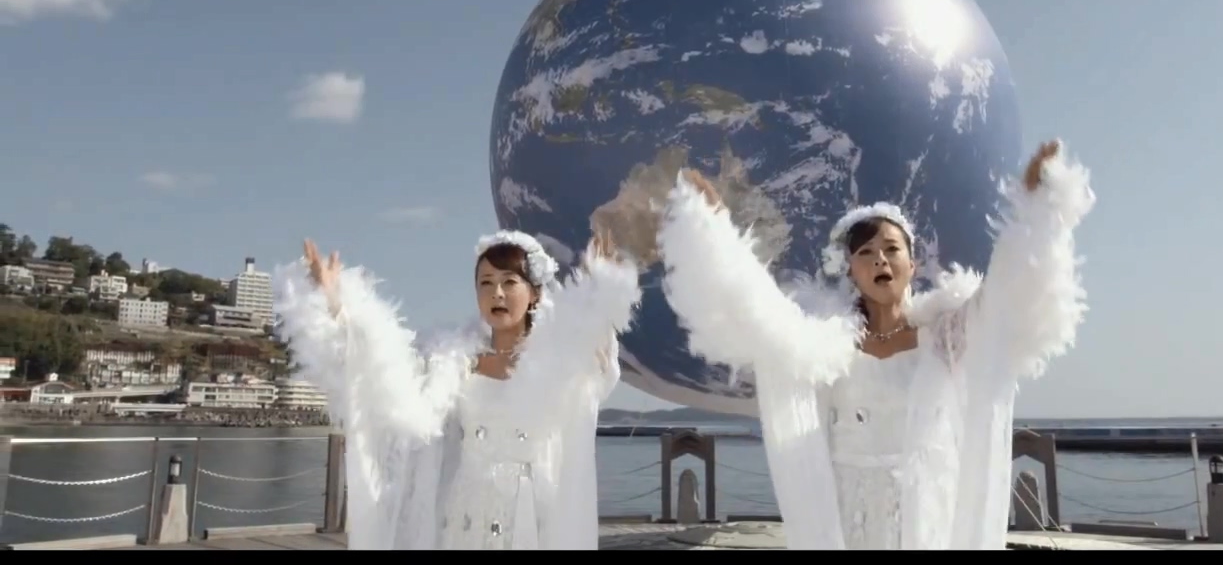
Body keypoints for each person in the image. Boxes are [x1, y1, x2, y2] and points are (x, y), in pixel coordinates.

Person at [656, 140, 1095, 549]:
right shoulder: (825, 344)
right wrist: (715, 233)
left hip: (925, 514)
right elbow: (764, 318)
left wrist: (1033, 211)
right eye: (865, 252)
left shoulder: (946, 338)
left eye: (891, 249)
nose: (880, 259)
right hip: (850, 515)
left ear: (912, 264)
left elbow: (1004, 301)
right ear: (851, 271)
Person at [273, 228, 641, 550]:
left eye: (509, 282)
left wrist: (600, 295)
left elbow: (597, 365)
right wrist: (337, 304)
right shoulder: (452, 362)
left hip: (528, 517)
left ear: (534, 293)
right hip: (463, 514)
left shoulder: (557, 362)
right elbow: (382, 379)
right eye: (486, 283)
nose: (497, 293)